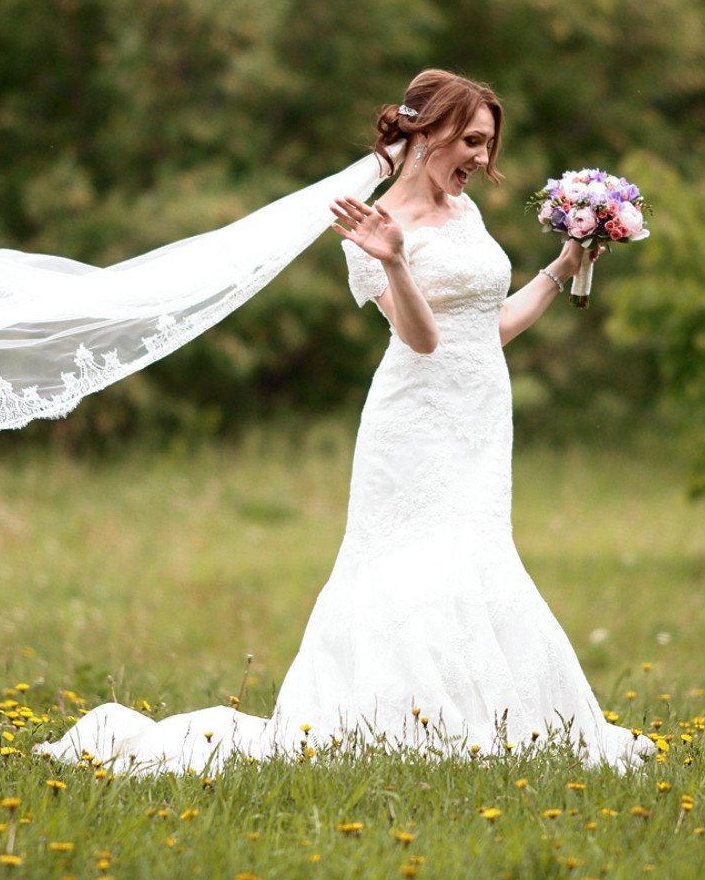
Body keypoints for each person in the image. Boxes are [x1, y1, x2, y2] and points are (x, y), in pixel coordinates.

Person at [35, 69, 653, 772]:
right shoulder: (371, 227)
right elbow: (422, 340)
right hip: (412, 424)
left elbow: (490, 328)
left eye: (488, 144)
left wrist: (561, 264)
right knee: (412, 565)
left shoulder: (467, 214)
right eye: (472, 141)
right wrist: (394, 263)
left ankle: (488, 713)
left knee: (477, 557)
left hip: (481, 416)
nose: (483, 160)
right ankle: (404, 721)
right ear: (425, 131)